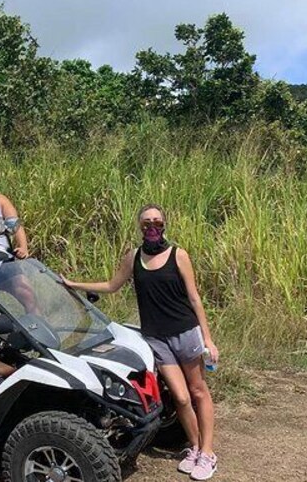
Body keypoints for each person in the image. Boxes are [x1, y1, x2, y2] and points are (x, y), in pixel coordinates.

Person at [63, 204, 219, 481]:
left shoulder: (178, 255)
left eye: (157, 222)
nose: (152, 227)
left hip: (185, 332)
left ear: (165, 224)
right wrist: (74, 284)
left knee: (198, 392)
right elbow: (112, 286)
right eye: (146, 222)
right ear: (139, 226)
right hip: (156, 337)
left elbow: (195, 298)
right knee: (180, 398)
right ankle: (194, 447)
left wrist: (208, 338)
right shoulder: (133, 257)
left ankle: (207, 453)